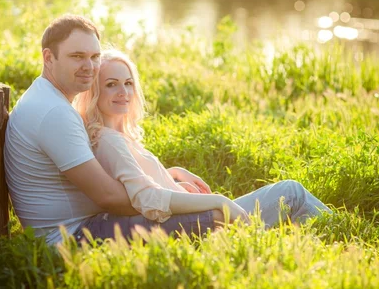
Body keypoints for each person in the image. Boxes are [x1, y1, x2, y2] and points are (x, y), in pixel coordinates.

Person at [4, 14, 223, 245]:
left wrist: (166, 181)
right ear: (49, 57)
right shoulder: (54, 113)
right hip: (72, 236)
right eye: (77, 56)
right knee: (217, 217)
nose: (89, 67)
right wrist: (169, 197)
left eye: (94, 56)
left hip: (76, 225)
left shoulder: (46, 98)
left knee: (202, 210)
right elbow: (110, 197)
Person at [72, 49, 332, 239]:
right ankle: (342, 233)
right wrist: (218, 201)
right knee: (293, 192)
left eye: (128, 83)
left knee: (295, 203)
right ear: (94, 92)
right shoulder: (108, 141)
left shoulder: (121, 137)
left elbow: (134, 179)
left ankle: (321, 240)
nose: (123, 92)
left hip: (196, 216)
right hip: (195, 222)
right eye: (111, 85)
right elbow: (149, 199)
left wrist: (171, 174)